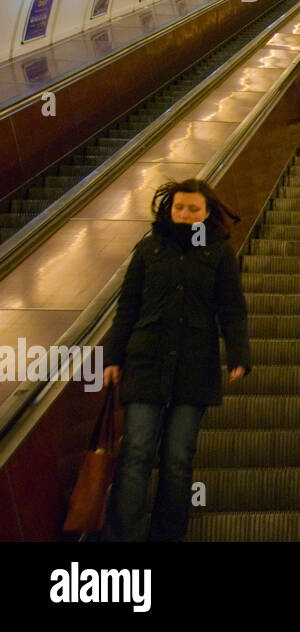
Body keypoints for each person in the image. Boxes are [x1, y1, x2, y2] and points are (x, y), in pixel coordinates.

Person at [102, 178, 251, 542]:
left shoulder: (217, 253)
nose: (184, 215)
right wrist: (113, 356)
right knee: (136, 452)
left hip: (195, 366)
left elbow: (232, 310)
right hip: (146, 361)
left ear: (206, 214)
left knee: (177, 460)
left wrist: (238, 354)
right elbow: (128, 308)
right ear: (169, 209)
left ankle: (166, 536)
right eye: (179, 208)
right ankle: (123, 537)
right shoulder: (149, 249)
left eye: (192, 209)